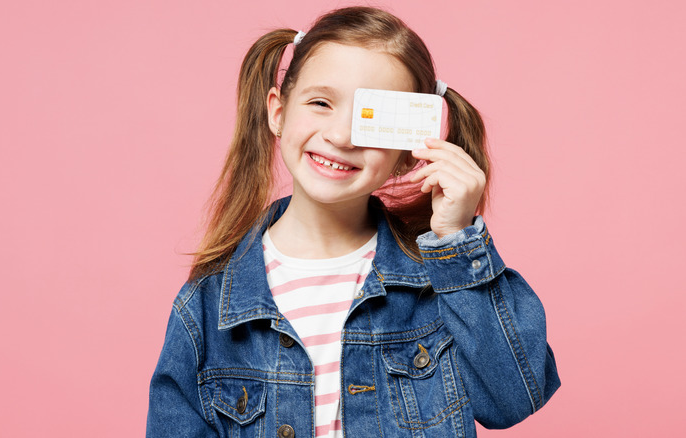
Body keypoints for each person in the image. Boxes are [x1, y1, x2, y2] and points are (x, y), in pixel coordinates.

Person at [147, 6, 559, 438]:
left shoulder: (438, 283)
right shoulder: (206, 304)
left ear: (408, 150)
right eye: (321, 103)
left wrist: (457, 240)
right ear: (278, 111)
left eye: (372, 118)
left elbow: (514, 399)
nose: (342, 137)